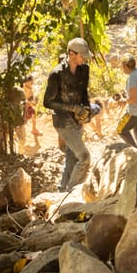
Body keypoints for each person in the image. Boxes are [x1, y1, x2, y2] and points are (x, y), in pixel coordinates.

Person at [43, 37, 93, 192]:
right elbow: (47, 102)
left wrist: (87, 109)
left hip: (77, 120)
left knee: (72, 156)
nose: (84, 58)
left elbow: (84, 92)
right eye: (81, 55)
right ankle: (73, 191)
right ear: (71, 54)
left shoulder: (84, 69)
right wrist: (73, 108)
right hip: (63, 121)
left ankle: (63, 189)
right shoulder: (56, 74)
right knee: (84, 157)